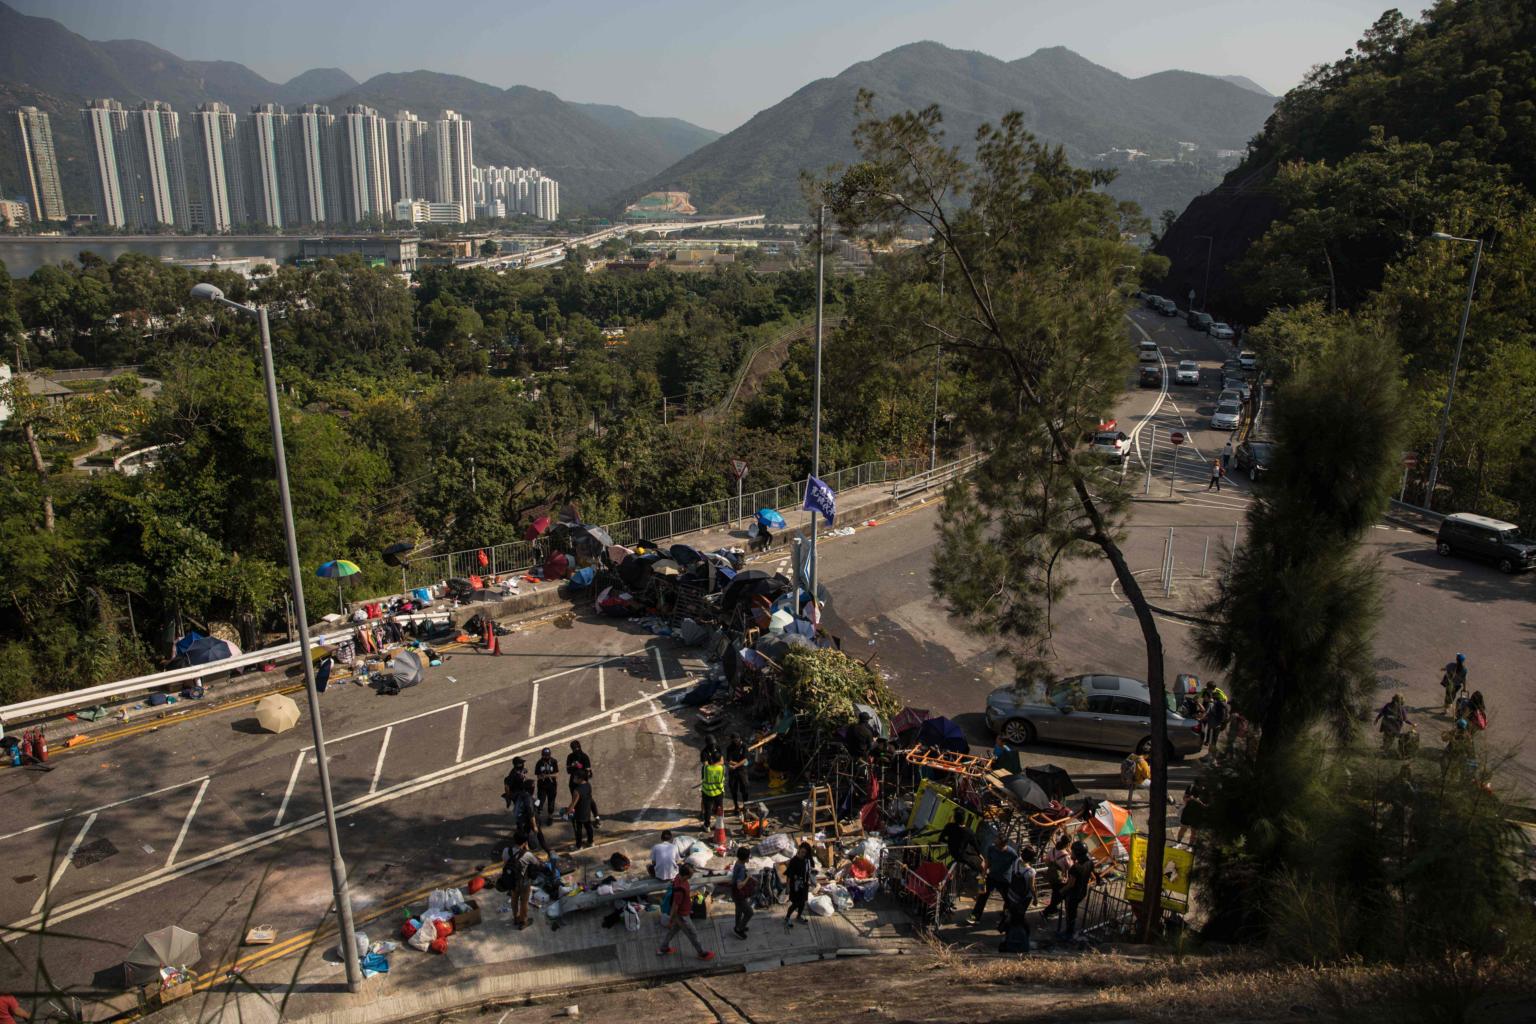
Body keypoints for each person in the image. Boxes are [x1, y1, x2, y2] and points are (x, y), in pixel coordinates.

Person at [658, 863, 715, 960]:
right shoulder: (680, 890)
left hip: (682, 913)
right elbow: (675, 906)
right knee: (692, 934)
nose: (692, 875)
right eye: (690, 874)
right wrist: (671, 920)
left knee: (673, 931)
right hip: (682, 916)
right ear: (685, 876)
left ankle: (663, 948)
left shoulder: (678, 877)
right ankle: (702, 953)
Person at [971, 833, 1018, 925]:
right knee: (982, 897)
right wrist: (983, 875)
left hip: (1004, 880)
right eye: (996, 843)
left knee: (1008, 900)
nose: (996, 845)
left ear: (1004, 844)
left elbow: (1017, 864)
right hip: (992, 877)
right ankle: (975, 917)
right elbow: (987, 862)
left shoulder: (1011, 853)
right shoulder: (991, 848)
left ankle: (1006, 917)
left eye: (998, 844)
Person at [1055, 841, 1097, 942]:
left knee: (1070, 913)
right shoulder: (1089, 862)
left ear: (1077, 853)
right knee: (1073, 912)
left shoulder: (1076, 868)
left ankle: (1069, 933)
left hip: (1073, 894)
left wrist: (1061, 891)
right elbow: (1092, 875)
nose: (1071, 853)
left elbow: (1071, 884)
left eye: (1072, 851)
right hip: (1082, 892)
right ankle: (1070, 931)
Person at [999, 845, 1038, 952]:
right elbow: (1032, 887)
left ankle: (1007, 933)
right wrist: (1035, 898)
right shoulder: (1030, 872)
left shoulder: (1016, 862)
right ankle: (1024, 936)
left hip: (1012, 894)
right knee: (1020, 917)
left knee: (1011, 914)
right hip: (1023, 898)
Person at [502, 832, 542, 929]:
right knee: (524, 901)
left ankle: (515, 918)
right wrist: (527, 850)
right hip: (524, 882)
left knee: (514, 898)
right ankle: (523, 921)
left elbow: (505, 862)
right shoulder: (527, 854)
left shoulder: (506, 850)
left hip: (511, 880)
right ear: (525, 842)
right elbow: (537, 863)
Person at [1039, 834, 1073, 920]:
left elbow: (1047, 862)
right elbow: (1071, 868)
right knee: (1060, 895)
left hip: (1052, 877)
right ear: (1068, 844)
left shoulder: (1052, 850)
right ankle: (1047, 911)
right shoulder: (1066, 856)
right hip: (1061, 879)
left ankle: (1053, 909)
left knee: (1055, 893)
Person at [512, 779, 549, 855]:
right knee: (538, 835)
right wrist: (534, 826)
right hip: (526, 820)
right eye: (533, 786)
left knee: (524, 833)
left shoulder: (520, 794)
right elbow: (531, 813)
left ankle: (526, 846)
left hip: (520, 820)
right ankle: (546, 848)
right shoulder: (528, 798)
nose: (534, 788)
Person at [939, 816, 983, 881]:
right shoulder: (967, 833)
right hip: (962, 854)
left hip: (959, 853)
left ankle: (950, 875)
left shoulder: (952, 828)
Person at [783, 841, 816, 927]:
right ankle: (787, 917)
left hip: (804, 885)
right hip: (795, 886)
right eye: (802, 852)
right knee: (796, 903)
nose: (803, 854)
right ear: (799, 850)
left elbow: (812, 868)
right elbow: (789, 875)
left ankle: (798, 916)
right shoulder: (794, 861)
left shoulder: (807, 860)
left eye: (805, 853)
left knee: (802, 902)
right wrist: (787, 887)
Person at [730, 845, 755, 939]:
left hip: (734, 893)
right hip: (739, 895)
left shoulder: (738, 863)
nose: (749, 858)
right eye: (748, 856)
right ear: (745, 858)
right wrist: (748, 877)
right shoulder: (741, 868)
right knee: (749, 912)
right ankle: (739, 929)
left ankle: (739, 925)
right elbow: (739, 885)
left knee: (739, 911)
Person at [567, 768, 596, 849]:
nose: (573, 778)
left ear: (580, 779)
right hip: (587, 811)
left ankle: (578, 846)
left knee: (578, 830)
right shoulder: (588, 785)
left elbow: (573, 804)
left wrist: (567, 812)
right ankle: (590, 842)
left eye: (575, 777)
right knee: (588, 827)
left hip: (578, 814)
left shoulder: (576, 791)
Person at [725, 733, 751, 818]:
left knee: (745, 788)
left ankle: (745, 806)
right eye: (734, 740)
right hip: (733, 771)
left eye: (737, 739)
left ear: (739, 738)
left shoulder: (744, 746)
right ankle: (736, 807)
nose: (735, 741)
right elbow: (729, 760)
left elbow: (745, 759)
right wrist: (735, 764)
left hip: (742, 770)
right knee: (733, 789)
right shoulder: (730, 747)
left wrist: (736, 765)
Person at [534, 747, 560, 826]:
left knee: (551, 803)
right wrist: (542, 776)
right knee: (540, 802)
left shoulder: (553, 762)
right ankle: (537, 817)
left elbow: (556, 774)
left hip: (552, 786)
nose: (546, 757)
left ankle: (550, 817)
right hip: (542, 786)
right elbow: (538, 776)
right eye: (544, 755)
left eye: (547, 755)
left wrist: (547, 776)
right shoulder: (539, 763)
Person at [700, 751, 726, 828]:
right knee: (719, 809)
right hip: (719, 792)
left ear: (712, 759)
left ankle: (707, 825)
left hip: (708, 792)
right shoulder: (722, 768)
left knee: (708, 810)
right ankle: (719, 824)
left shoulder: (707, 768)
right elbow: (721, 763)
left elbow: (706, 763)